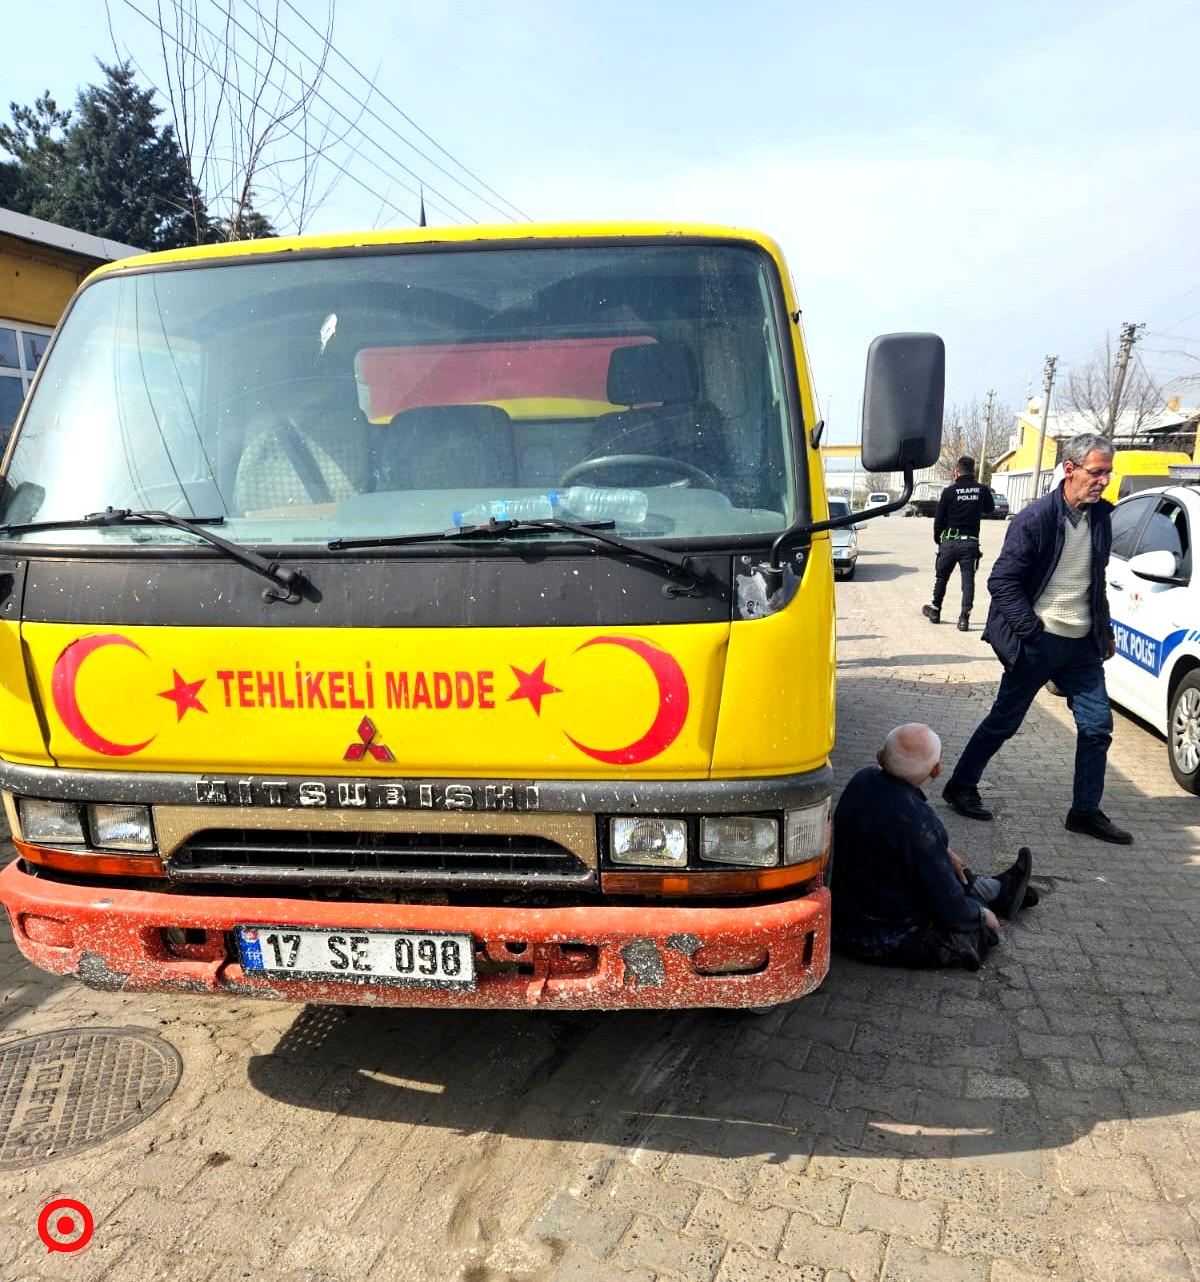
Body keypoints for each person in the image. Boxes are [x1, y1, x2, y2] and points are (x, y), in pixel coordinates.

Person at [941, 433, 1131, 844]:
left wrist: (1105, 630)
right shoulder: (1036, 517)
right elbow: (1002, 581)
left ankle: (1084, 812)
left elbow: (1093, 582)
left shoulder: (1102, 518)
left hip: (1082, 645)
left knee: (1097, 727)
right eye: (1096, 472)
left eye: (1108, 474)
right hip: (1039, 641)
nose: (1103, 481)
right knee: (1004, 722)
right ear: (1069, 469)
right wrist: (1031, 632)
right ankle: (960, 786)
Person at [831, 723, 1035, 971]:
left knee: (944, 865)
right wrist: (980, 916)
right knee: (977, 934)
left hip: (843, 917)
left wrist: (943, 851)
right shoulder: (921, 824)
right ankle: (991, 896)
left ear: (879, 756)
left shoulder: (862, 780)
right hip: (884, 936)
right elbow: (947, 904)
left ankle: (998, 891)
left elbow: (896, 836)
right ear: (936, 770)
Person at [922, 455, 995, 631]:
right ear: (974, 471)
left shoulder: (949, 492)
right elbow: (990, 508)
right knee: (968, 581)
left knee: (941, 578)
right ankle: (964, 618)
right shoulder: (982, 490)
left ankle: (935, 611)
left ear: (957, 471)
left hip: (949, 542)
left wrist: (939, 540)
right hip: (970, 544)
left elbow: (938, 520)